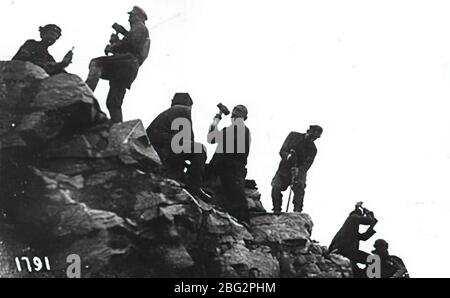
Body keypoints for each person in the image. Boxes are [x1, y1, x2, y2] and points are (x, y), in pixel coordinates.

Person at [85, 6, 150, 123]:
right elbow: (131, 43)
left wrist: (114, 45)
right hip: (130, 67)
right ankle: (118, 127)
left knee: (96, 63)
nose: (130, 18)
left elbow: (131, 44)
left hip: (127, 61)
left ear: (139, 17)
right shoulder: (139, 30)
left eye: (132, 15)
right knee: (113, 102)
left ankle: (84, 96)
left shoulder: (139, 27)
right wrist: (117, 41)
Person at [146, 93, 210, 202]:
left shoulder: (169, 112)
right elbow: (187, 138)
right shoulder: (182, 110)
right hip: (163, 145)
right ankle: (194, 187)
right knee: (200, 149)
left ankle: (181, 178)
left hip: (155, 146)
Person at [207, 105, 251, 224]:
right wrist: (216, 119)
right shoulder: (228, 130)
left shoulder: (243, 130)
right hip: (220, 165)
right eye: (234, 116)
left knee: (235, 191)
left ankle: (244, 220)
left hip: (234, 167)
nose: (234, 118)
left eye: (237, 116)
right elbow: (211, 139)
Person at [271, 126, 322, 214]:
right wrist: (288, 157)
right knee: (276, 186)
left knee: (299, 190)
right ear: (308, 131)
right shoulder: (293, 136)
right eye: (311, 136)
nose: (312, 139)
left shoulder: (313, 149)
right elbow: (282, 150)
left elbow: (308, 164)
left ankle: (297, 212)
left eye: (315, 138)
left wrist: (299, 170)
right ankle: (276, 210)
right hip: (284, 168)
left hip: (299, 172)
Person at [329, 202, 378, 276]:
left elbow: (364, 237)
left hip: (345, 250)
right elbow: (368, 220)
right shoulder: (353, 217)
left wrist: (372, 226)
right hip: (345, 250)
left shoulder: (351, 230)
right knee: (373, 260)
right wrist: (370, 214)